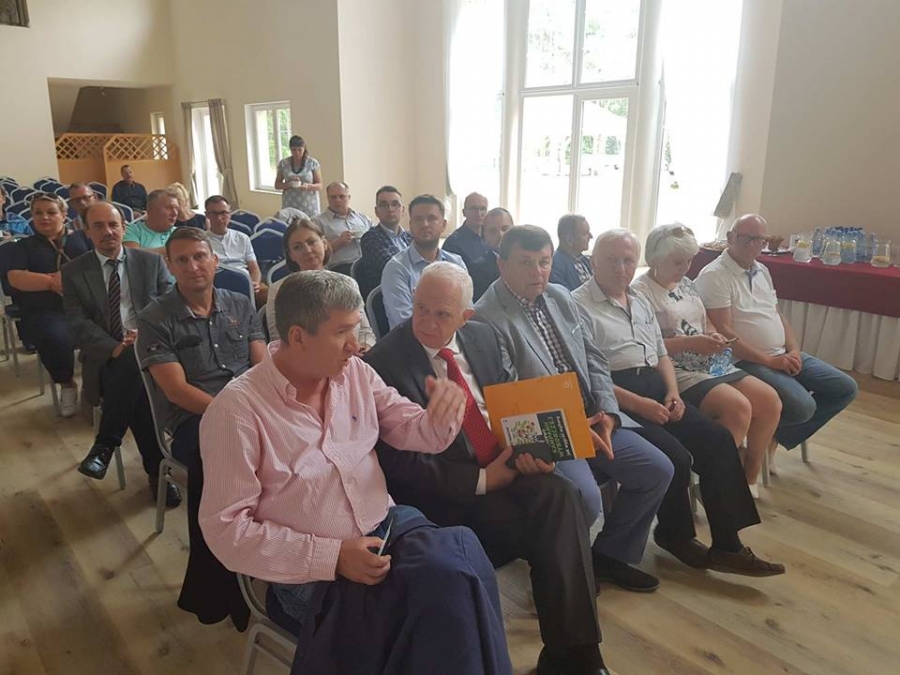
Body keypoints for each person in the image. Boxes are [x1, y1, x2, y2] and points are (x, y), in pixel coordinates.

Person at [198, 270, 512, 675]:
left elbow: (411, 429)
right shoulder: (237, 413)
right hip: (311, 573)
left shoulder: (355, 373)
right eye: (342, 332)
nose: (357, 343)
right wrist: (332, 557)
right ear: (298, 337)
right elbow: (226, 532)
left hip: (386, 527)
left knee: (464, 571)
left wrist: (439, 418)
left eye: (357, 327)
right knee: (435, 615)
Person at [366, 263, 609, 675]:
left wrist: (535, 451)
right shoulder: (383, 362)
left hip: (503, 462)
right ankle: (569, 657)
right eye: (420, 308)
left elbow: (510, 407)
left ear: (466, 316)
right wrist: (482, 480)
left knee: (561, 494)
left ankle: (575, 656)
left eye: (442, 314)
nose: (426, 322)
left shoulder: (482, 336)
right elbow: (397, 462)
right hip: (448, 492)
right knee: (553, 524)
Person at [573, 229, 784, 576]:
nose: (621, 268)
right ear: (593, 260)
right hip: (615, 396)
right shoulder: (577, 305)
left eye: (628, 260)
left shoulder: (638, 301)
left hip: (657, 385)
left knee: (717, 440)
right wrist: (640, 405)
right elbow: (587, 376)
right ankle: (675, 534)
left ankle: (728, 545)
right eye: (612, 260)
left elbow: (660, 354)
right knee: (676, 455)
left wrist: (673, 392)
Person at [475, 226, 673, 593]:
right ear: (502, 265)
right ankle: (559, 574)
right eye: (526, 263)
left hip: (592, 416)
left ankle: (607, 557)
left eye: (544, 262)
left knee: (657, 470)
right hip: (547, 429)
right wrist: (572, 427)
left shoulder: (560, 296)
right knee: (585, 498)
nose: (538, 272)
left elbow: (594, 359)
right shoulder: (486, 316)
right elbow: (509, 396)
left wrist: (608, 414)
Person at [136, 227, 267, 628]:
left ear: (215, 260)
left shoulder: (239, 303)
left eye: (199, 256)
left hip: (249, 407)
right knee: (217, 463)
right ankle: (218, 590)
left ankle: (277, 565)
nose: (193, 266)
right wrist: (235, 416)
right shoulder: (155, 318)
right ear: (170, 266)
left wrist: (268, 411)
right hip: (194, 418)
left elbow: (262, 366)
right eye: (182, 260)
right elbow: (176, 391)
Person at [695, 213, 858, 467]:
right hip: (744, 360)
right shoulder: (714, 275)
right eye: (746, 238)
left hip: (779, 353)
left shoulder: (762, 270)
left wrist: (793, 350)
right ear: (730, 238)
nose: (753, 245)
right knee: (803, 407)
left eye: (759, 240)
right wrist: (770, 361)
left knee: (845, 388)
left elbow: (778, 315)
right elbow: (724, 332)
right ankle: (763, 436)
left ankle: (773, 435)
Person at [632, 224, 782, 496]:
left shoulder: (687, 284)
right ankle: (714, 482)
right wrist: (692, 343)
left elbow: (705, 321)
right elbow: (645, 348)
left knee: (770, 401)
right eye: (678, 262)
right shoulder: (640, 292)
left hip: (707, 360)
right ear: (654, 259)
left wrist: (713, 335)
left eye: (689, 261)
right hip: (674, 369)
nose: (685, 268)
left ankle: (747, 475)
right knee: (738, 408)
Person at [62, 201, 180, 506]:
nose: (108, 232)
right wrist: (115, 347)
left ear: (124, 228)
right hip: (106, 358)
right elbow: (77, 323)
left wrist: (144, 334)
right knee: (135, 374)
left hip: (154, 347)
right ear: (86, 232)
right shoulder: (73, 271)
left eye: (113, 225)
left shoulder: (151, 263)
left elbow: (171, 307)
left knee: (135, 362)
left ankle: (105, 444)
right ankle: (157, 472)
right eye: (98, 226)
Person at [7, 194, 90, 416]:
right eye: (38, 213)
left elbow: (96, 268)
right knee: (54, 337)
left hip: (86, 306)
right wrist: (53, 282)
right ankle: (67, 384)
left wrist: (61, 280)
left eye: (51, 212)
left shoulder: (82, 239)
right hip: (45, 309)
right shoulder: (22, 246)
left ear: (64, 215)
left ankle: (97, 386)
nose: (44, 217)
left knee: (113, 329)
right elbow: (16, 278)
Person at [266, 217, 375, 349]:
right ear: (291, 255)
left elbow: (365, 331)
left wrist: (365, 346)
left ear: (324, 243)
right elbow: (278, 341)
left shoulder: (348, 283)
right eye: (297, 247)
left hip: (354, 353)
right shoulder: (279, 289)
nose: (307, 250)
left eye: (312, 242)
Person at [381, 194, 466, 329]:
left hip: (454, 337)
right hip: (414, 340)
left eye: (431, 218)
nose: (425, 224)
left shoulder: (456, 263)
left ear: (443, 225)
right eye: (418, 219)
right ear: (410, 225)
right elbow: (405, 323)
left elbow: (466, 311)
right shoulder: (396, 268)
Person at [204, 195, 267, 306]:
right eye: (214, 213)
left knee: (272, 297)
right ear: (207, 215)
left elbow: (254, 268)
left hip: (246, 282)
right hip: (218, 287)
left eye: (223, 213)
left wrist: (255, 283)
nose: (219, 218)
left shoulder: (243, 238)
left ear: (230, 214)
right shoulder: (202, 242)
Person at [356, 185, 412, 300]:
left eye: (395, 204)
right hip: (389, 297)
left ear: (402, 210)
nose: (390, 209)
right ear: (376, 211)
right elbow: (394, 268)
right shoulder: (370, 238)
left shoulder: (411, 237)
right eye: (383, 205)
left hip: (414, 291)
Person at [313, 181, 373, 275]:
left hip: (369, 264)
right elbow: (315, 252)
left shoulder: (362, 218)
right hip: (341, 268)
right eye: (333, 197)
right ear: (328, 198)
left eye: (342, 196)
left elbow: (375, 238)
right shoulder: (318, 222)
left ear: (349, 197)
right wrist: (339, 242)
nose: (338, 200)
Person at [469, 207, 513, 301]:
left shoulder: (526, 262)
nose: (501, 235)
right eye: (493, 231)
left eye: (505, 229)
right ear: (484, 235)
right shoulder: (476, 269)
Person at [274, 135, 322, 215]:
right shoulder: (284, 163)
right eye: (294, 150)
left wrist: (308, 186)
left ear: (304, 148)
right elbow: (277, 185)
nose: (297, 153)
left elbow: (320, 185)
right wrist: (289, 184)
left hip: (309, 206)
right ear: (290, 149)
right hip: (290, 204)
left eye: (300, 150)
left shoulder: (312, 163)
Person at [442, 192, 491, 266]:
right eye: (474, 208)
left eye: (483, 209)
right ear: (464, 212)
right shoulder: (453, 242)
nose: (479, 213)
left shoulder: (492, 236)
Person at [123, 189, 178, 254]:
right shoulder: (132, 230)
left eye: (177, 208)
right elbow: (132, 255)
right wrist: (175, 249)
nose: (175, 213)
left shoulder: (179, 233)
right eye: (168, 208)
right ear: (150, 209)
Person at [550, 214, 594, 291]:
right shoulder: (555, 265)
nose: (591, 236)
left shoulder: (586, 261)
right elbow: (563, 295)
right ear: (569, 239)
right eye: (585, 233)